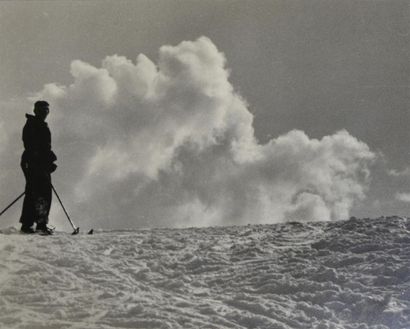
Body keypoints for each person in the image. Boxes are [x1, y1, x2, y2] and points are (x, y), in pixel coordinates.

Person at [20, 101, 57, 234]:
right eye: (43, 110)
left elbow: (43, 148)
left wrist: (48, 161)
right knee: (42, 192)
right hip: (35, 163)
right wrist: (46, 162)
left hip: (35, 163)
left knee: (33, 191)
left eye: (47, 110)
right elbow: (33, 147)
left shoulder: (37, 124)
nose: (45, 112)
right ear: (36, 111)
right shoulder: (33, 125)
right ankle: (39, 225)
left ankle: (28, 224)